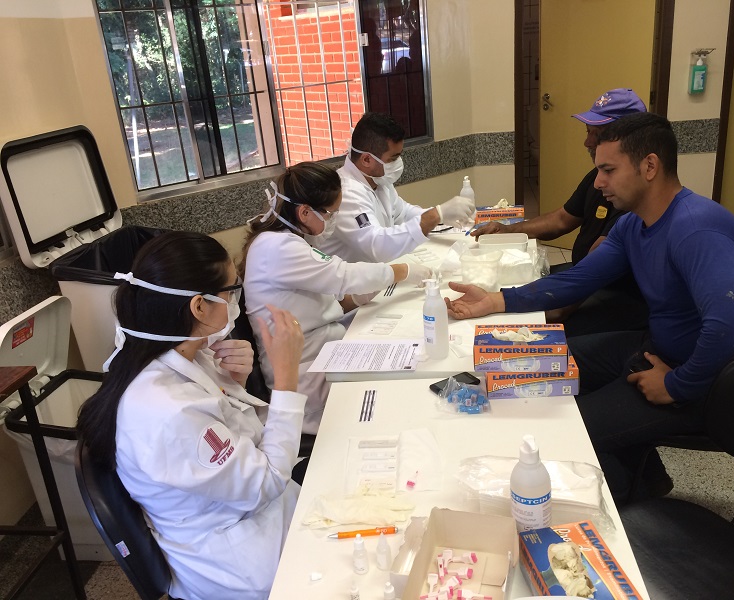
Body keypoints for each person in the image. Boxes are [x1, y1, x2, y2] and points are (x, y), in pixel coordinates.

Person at [446, 113, 734, 503]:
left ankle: (629, 507)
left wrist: (675, 385)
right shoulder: (634, 225)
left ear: (649, 166)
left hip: (707, 380)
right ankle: (646, 478)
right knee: (530, 364)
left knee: (569, 432)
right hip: (657, 350)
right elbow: (578, 279)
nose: (598, 182)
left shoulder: (697, 229)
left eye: (608, 170)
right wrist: (496, 300)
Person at [76, 231, 307, 599]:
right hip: (239, 560)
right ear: (199, 306)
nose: (235, 301)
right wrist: (286, 378)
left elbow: (233, 433)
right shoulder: (166, 410)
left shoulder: (178, 357)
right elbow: (265, 483)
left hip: (251, 511)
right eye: (231, 291)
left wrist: (234, 382)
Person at [240, 162, 432, 434]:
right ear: (304, 212)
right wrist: (402, 271)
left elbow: (319, 301)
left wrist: (355, 300)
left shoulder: (288, 241)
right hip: (305, 375)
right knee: (399, 390)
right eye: (331, 214)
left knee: (404, 352)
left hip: (324, 350)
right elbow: (342, 275)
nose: (334, 221)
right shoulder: (278, 248)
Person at [472, 88, 650, 336]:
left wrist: (547, 312)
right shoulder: (598, 178)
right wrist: (507, 230)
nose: (587, 142)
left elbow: (593, 272)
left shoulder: (638, 204)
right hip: (583, 276)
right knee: (515, 284)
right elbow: (561, 219)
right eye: (588, 132)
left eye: (597, 135)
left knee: (532, 334)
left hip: (612, 295)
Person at [314, 112, 475, 263]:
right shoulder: (346, 193)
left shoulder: (379, 180)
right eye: (393, 159)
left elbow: (402, 213)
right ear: (367, 160)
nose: (398, 163)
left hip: (376, 271)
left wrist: (442, 217)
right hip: (350, 281)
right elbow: (377, 245)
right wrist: (436, 215)